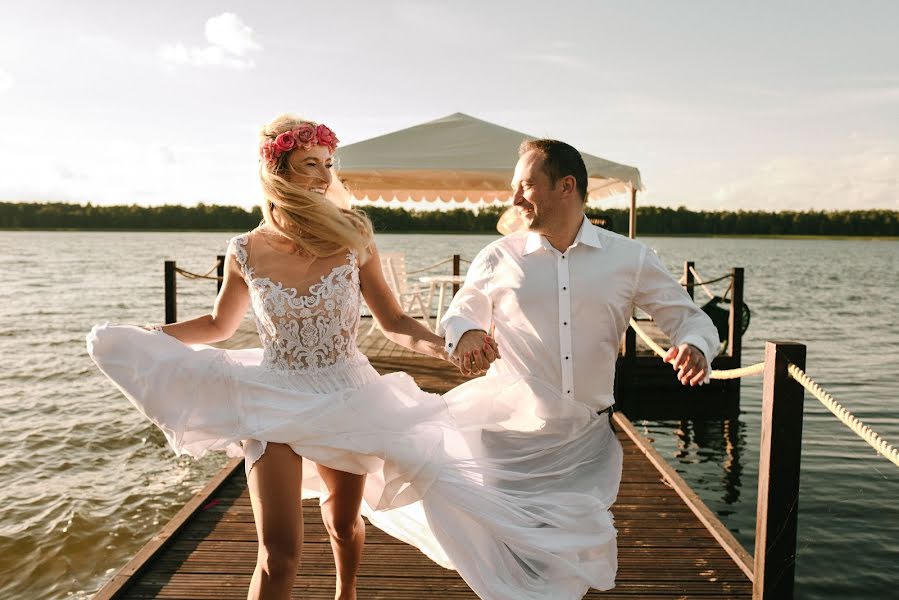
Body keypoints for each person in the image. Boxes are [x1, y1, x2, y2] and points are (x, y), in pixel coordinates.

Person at [440, 138, 722, 592]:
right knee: (513, 564)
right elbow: (458, 314)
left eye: (526, 186)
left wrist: (694, 346)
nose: (514, 200)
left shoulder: (629, 259)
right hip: (508, 438)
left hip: (585, 444)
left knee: (568, 564)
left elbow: (690, 319)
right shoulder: (498, 257)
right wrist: (468, 331)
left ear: (565, 186)